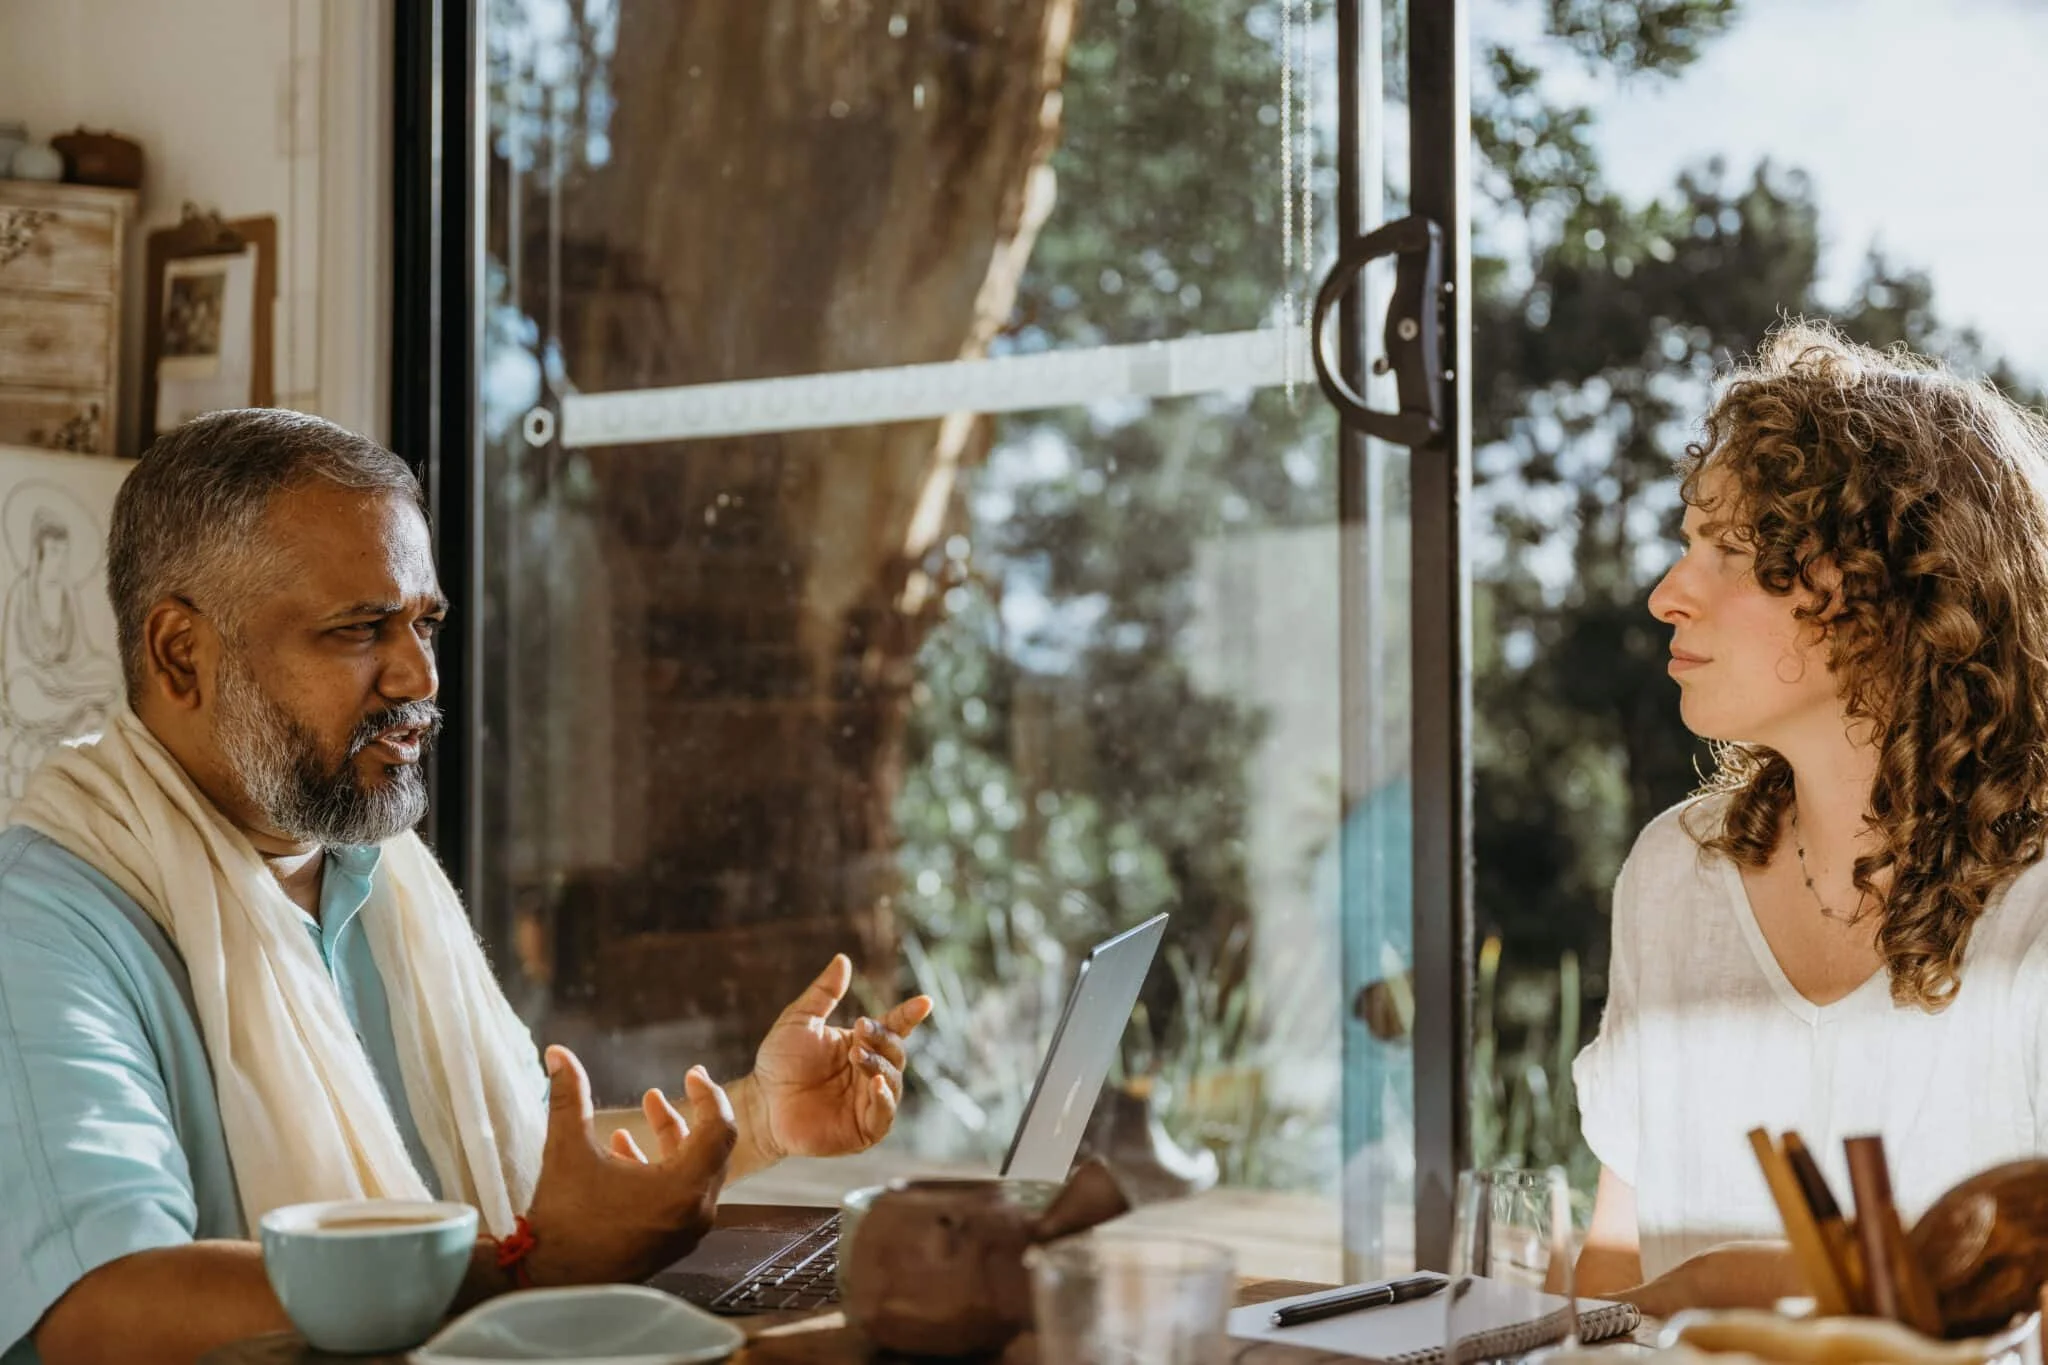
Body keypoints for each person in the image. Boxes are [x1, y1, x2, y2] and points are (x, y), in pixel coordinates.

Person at [0, 408, 933, 1365]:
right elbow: (103, 1306)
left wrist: (758, 1119)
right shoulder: (40, 930)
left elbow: (515, 1159)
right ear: (180, 653)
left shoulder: (374, 871)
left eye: (423, 622)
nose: (416, 673)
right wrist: (530, 1271)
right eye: (359, 628)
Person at [1570, 322, 2048, 1314]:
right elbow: (1611, 1269)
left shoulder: (2032, 916)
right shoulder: (1673, 874)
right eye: (1684, 544)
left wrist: (1718, 1281)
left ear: (1888, 590)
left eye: (1732, 553)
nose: (1666, 595)